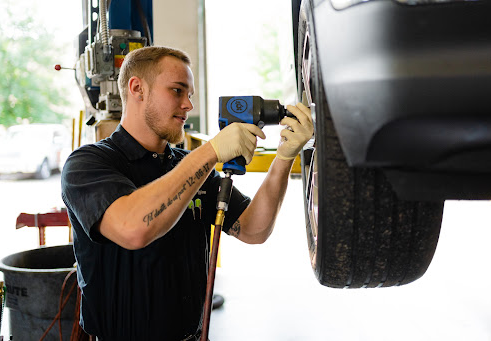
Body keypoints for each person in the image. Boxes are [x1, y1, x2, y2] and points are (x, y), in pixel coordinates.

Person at [61, 46, 314, 341]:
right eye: (177, 91)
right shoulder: (88, 164)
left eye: (190, 94)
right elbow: (133, 229)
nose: (188, 105)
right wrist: (211, 151)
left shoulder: (189, 165)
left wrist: (284, 158)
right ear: (137, 88)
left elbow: (254, 228)